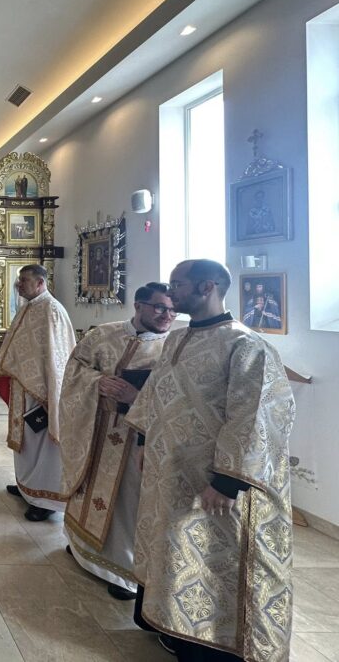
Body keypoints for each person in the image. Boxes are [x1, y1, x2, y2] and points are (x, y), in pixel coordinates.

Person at [126, 260, 295, 661]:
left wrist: (227, 481)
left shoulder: (245, 344)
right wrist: (144, 440)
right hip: (170, 471)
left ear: (207, 287)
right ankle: (171, 625)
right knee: (173, 549)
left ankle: (213, 644)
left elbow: (254, 415)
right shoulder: (176, 338)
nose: (170, 293)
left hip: (212, 480)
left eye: (177, 285)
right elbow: (158, 393)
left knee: (212, 558)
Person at [58, 282, 175, 601]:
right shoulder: (103, 334)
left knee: (127, 502)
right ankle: (81, 549)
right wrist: (97, 382)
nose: (167, 315)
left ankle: (121, 571)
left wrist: (136, 396)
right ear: (138, 306)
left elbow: (176, 396)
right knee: (87, 487)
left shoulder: (172, 348)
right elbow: (74, 368)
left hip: (135, 438)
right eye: (159, 307)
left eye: (172, 309)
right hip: (94, 428)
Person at [0, 264, 76, 521]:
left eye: (24, 280)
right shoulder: (29, 306)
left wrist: (52, 392)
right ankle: (27, 486)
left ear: (40, 283)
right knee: (27, 440)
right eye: (19, 280)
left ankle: (45, 499)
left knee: (43, 444)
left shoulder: (52, 310)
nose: (19, 285)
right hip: (24, 386)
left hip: (43, 391)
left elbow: (58, 357)